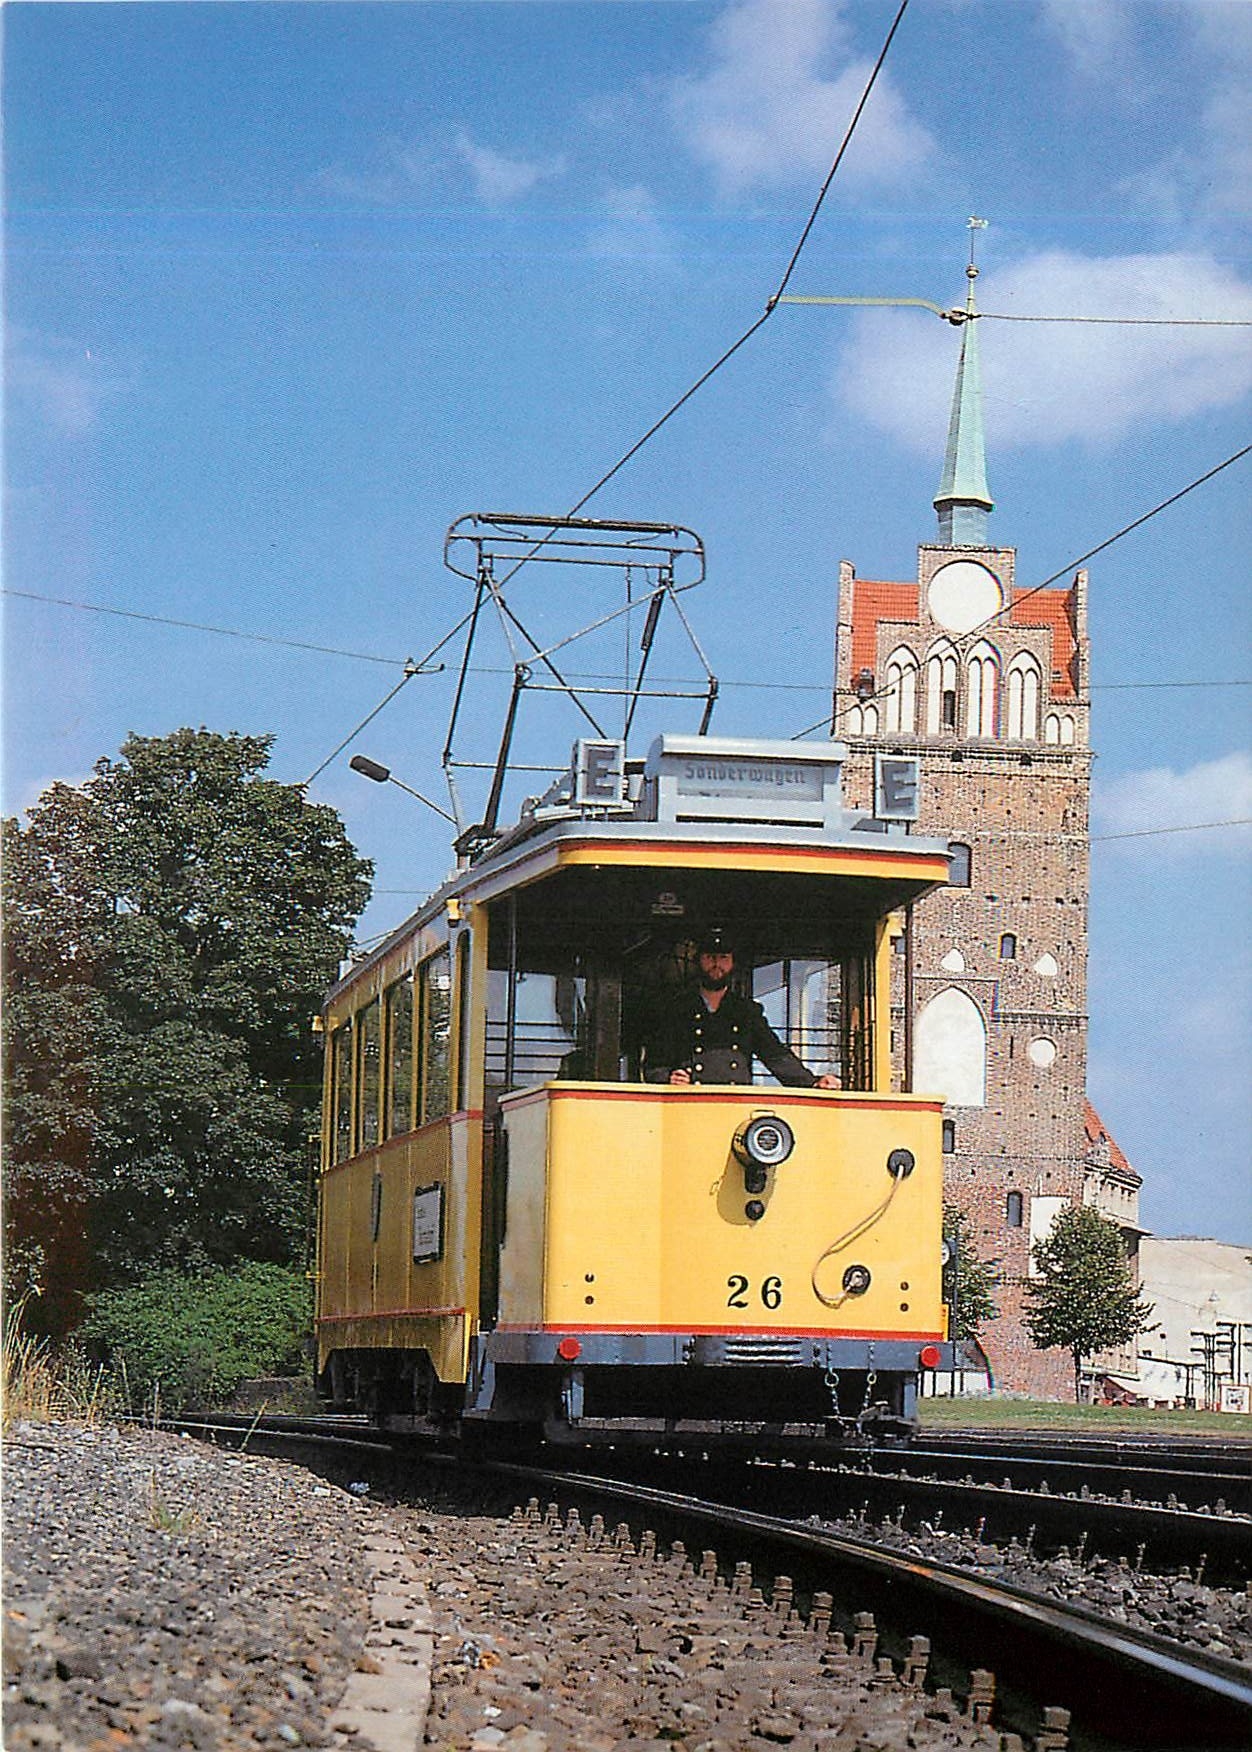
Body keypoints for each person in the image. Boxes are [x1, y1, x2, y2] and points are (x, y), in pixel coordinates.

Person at [644, 929, 839, 1088]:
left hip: (735, 1104)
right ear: (699, 961)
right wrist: (669, 1078)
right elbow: (654, 1065)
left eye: (723, 957)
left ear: (732, 963)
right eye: (710, 957)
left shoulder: (746, 1012)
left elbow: (775, 1055)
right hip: (689, 1104)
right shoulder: (676, 1009)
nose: (716, 965)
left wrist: (812, 1082)